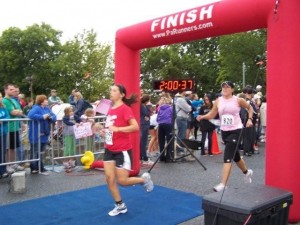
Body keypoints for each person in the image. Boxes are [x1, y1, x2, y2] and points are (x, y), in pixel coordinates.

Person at [100, 84, 153, 216]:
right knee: (109, 178)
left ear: (122, 95)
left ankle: (143, 180)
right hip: (109, 149)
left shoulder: (125, 109)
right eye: (110, 90)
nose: (110, 92)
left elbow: (135, 127)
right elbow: (110, 129)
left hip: (122, 150)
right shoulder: (110, 109)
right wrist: (104, 132)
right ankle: (120, 205)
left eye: (114, 90)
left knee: (122, 181)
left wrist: (117, 129)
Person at [197, 81, 254, 192]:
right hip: (225, 131)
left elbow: (250, 108)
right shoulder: (218, 101)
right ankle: (247, 172)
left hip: (236, 130)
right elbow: (212, 114)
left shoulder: (238, 100)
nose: (225, 88)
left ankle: (223, 184)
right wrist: (202, 116)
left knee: (227, 156)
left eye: (227, 87)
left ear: (232, 90)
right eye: (223, 87)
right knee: (236, 156)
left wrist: (250, 119)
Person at [28, 95, 57, 175]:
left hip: (44, 133)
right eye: (45, 100)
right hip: (35, 134)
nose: (47, 101)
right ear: (41, 101)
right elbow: (30, 115)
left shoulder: (47, 108)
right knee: (34, 151)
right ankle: (33, 167)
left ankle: (41, 166)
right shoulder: (36, 108)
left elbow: (54, 115)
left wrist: (51, 118)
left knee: (41, 152)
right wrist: (42, 117)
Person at [2, 84, 25, 173]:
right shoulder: (5, 101)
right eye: (11, 89)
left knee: (13, 147)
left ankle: (13, 163)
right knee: (8, 147)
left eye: (13, 89)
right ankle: (8, 164)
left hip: (15, 126)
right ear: (6, 90)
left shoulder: (13, 100)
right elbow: (13, 112)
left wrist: (21, 121)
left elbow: (19, 111)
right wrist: (17, 112)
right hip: (8, 127)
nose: (12, 91)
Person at [62, 106, 81, 172]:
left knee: (73, 147)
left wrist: (80, 122)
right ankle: (66, 162)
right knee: (68, 148)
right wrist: (74, 123)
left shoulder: (74, 116)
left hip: (74, 134)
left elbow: (79, 119)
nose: (72, 112)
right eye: (70, 111)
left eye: (72, 111)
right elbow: (68, 122)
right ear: (67, 112)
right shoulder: (65, 118)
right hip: (68, 134)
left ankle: (71, 161)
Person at [156, 96, 174, 162]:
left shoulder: (159, 108)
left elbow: (157, 118)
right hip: (168, 124)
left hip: (161, 124)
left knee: (161, 141)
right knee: (169, 140)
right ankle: (168, 156)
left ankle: (161, 156)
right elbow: (173, 116)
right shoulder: (170, 108)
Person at [140, 94, 153, 165]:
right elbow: (147, 113)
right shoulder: (142, 106)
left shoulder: (142, 106)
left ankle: (142, 157)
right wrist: (148, 106)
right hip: (143, 124)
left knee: (143, 142)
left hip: (144, 124)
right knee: (143, 142)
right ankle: (144, 158)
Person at [0, 93, 9, 178]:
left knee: (2, 151)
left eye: (1, 97)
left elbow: (7, 117)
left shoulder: (3, 107)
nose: (1, 98)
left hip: (3, 132)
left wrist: (2, 120)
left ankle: (2, 170)